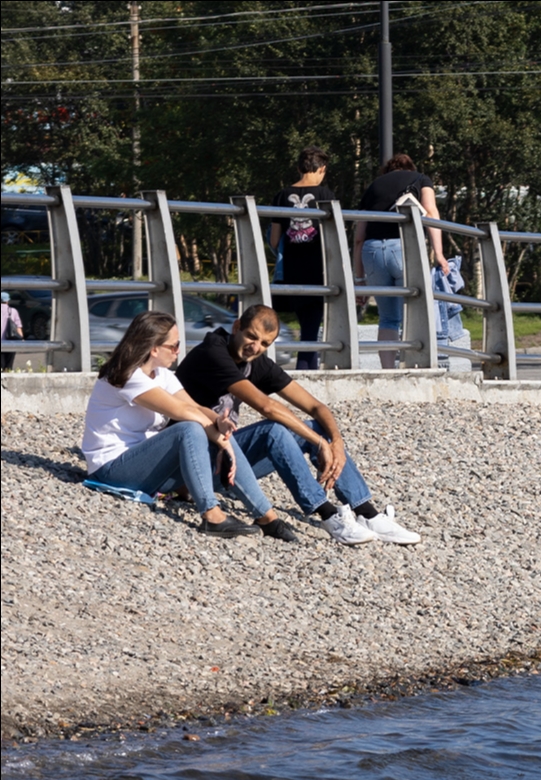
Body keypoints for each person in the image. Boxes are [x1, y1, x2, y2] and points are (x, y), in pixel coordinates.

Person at [174, 304, 422, 545]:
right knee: (275, 430)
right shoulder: (213, 352)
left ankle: (367, 513)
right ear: (237, 326)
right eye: (251, 336)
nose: (255, 347)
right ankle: (328, 515)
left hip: (228, 460)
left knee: (314, 427)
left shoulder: (255, 362)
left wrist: (335, 441)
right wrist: (319, 443)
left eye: (264, 344)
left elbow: (317, 407)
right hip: (192, 469)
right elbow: (266, 407)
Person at [79, 310, 277, 538]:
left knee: (207, 428)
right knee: (189, 428)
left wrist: (219, 422)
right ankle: (211, 514)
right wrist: (221, 442)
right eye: (173, 346)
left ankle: (267, 516)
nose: (178, 351)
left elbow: (195, 407)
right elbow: (182, 412)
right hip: (110, 469)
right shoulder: (128, 376)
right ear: (154, 348)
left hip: (141, 465)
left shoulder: (162, 375)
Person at [351, 154, 451, 369]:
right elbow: (431, 213)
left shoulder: (373, 187)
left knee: (388, 318)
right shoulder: (421, 179)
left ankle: (388, 371)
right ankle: (417, 365)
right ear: (410, 168)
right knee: (416, 310)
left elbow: (359, 237)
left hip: (373, 251)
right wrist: (439, 253)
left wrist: (359, 279)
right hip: (404, 248)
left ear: (388, 170)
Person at [268, 147, 336, 370]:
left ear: (299, 168)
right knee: (310, 327)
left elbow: (275, 239)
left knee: (277, 319)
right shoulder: (326, 196)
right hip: (317, 270)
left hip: (289, 270)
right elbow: (332, 237)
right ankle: (307, 371)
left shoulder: (281, 195)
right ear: (322, 169)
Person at [1, 292, 23, 370]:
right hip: (11, 342)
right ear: (7, 301)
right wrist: (21, 339)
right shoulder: (13, 311)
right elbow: (18, 327)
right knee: (8, 367)